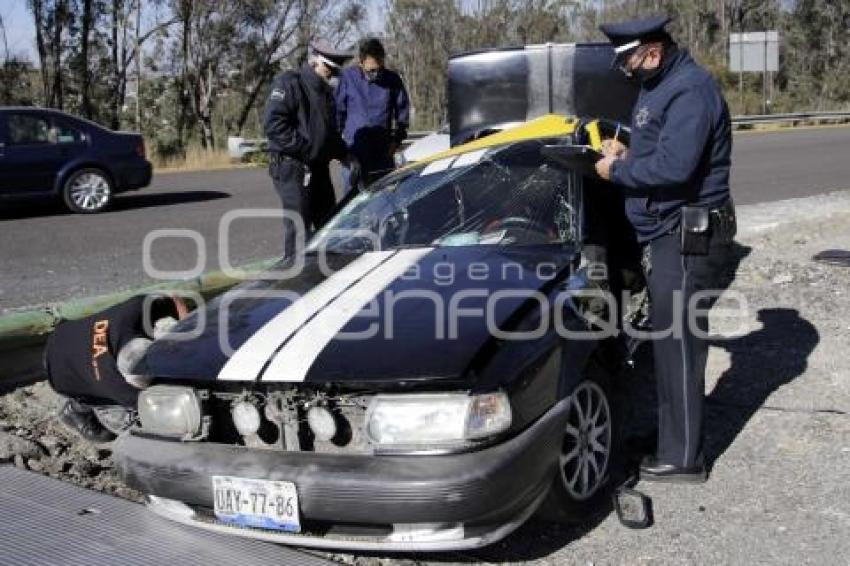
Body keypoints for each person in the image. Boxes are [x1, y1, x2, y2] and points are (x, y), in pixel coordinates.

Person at [595, 15, 737, 482]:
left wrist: (616, 172)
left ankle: (683, 459)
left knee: (678, 347)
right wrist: (627, 153)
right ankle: (671, 437)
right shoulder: (661, 84)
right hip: (668, 233)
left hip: (686, 235)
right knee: (668, 344)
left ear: (652, 51)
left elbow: (675, 168)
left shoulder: (690, 90)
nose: (627, 71)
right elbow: (659, 148)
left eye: (630, 61)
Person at [45, 295, 188, 443]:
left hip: (62, 337)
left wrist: (186, 323)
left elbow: (175, 298)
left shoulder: (136, 309)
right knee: (137, 424)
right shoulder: (124, 391)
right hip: (60, 377)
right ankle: (75, 410)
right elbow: (159, 405)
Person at [263, 41, 352, 259]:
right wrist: (306, 149)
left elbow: (328, 132)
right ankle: (295, 280)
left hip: (318, 168)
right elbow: (275, 125)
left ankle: (324, 278)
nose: (330, 75)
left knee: (328, 225)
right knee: (300, 231)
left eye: (334, 71)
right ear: (314, 62)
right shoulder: (289, 83)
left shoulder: (326, 93)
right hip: (292, 167)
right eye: (328, 68)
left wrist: (345, 154)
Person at [335, 37, 410, 188]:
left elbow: (402, 113)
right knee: (353, 201)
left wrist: (396, 142)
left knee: (382, 199)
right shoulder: (348, 78)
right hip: (354, 152)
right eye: (371, 70)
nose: (376, 74)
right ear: (361, 63)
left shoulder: (392, 80)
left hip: (382, 153)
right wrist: (339, 149)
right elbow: (337, 114)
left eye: (379, 69)